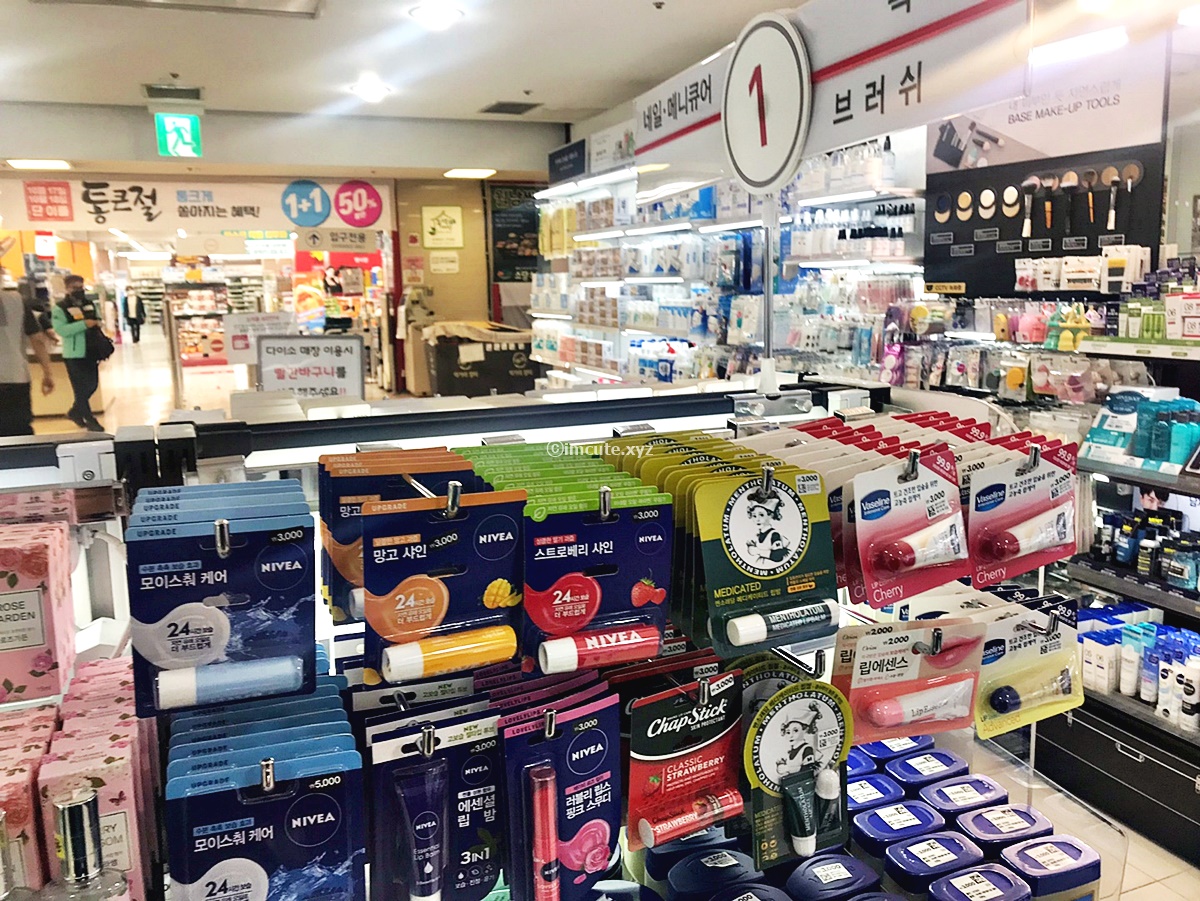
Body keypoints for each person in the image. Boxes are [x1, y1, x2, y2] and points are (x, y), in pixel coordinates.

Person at [0, 264, 55, 437]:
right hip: (14, 377)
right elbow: (37, 340)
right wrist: (48, 373)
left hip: (14, 376)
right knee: (19, 431)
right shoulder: (17, 301)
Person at [51, 275, 105, 432]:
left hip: (91, 352)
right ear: (67, 288)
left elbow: (98, 320)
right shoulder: (60, 308)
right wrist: (84, 324)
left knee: (92, 385)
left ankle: (74, 412)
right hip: (74, 354)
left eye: (81, 287)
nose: (79, 290)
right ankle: (90, 419)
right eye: (75, 287)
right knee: (80, 389)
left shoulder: (89, 304)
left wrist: (97, 323)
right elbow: (61, 330)